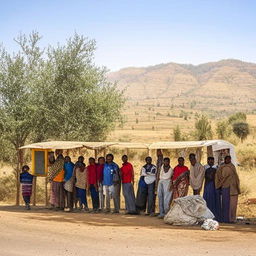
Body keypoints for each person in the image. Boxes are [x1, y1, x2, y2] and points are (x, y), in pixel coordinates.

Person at [215, 155, 240, 223]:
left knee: (232, 204)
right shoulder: (221, 167)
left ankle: (231, 219)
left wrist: (236, 185)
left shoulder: (232, 166)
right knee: (225, 203)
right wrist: (221, 181)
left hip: (232, 187)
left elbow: (235, 176)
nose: (228, 160)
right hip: (224, 186)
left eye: (229, 159)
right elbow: (218, 176)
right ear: (225, 160)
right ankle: (225, 219)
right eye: (227, 159)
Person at [156, 151, 173, 218]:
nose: (166, 163)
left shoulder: (171, 169)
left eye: (167, 161)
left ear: (169, 162)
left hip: (167, 182)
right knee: (160, 197)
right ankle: (161, 213)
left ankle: (166, 213)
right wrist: (157, 183)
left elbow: (169, 177)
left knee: (166, 198)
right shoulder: (162, 167)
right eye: (165, 161)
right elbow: (159, 176)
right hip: (161, 182)